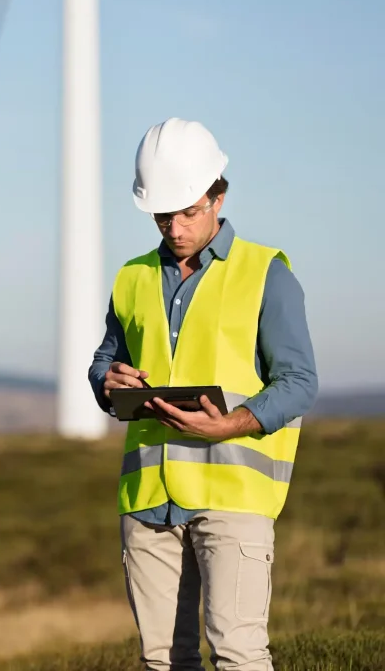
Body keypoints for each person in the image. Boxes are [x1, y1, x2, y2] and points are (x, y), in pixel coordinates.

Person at [88, 117, 318, 670]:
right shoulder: (132, 278)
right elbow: (103, 361)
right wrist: (107, 381)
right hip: (148, 501)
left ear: (218, 196)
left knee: (238, 654)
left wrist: (230, 423)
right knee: (163, 660)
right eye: (161, 214)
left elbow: (299, 382)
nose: (172, 227)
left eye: (186, 212)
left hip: (233, 495)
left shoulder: (266, 273)